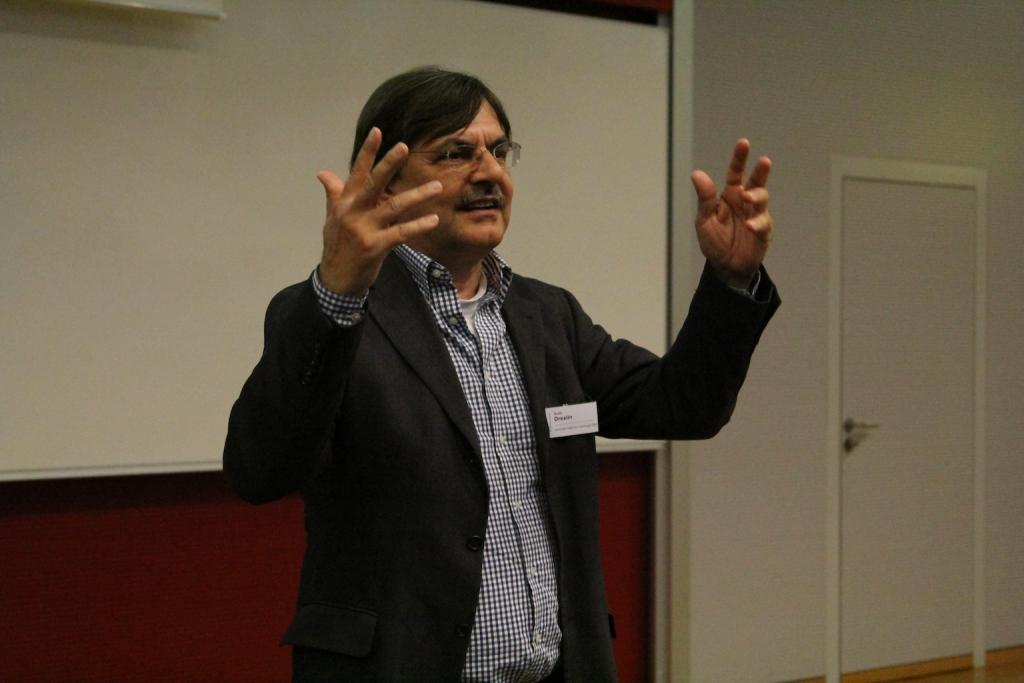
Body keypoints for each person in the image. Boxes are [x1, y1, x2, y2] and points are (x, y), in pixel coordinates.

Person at [224, 66, 779, 682]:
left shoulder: (548, 315)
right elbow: (262, 470)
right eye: (456, 153)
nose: (490, 173)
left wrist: (731, 281)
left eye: (499, 151)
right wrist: (338, 291)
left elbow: (684, 405)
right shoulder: (337, 315)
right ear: (385, 182)